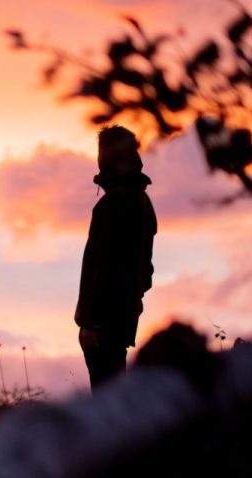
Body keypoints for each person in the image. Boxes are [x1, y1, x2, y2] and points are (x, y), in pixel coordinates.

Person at [75, 125, 157, 390]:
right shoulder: (143, 202)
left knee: (105, 397)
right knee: (114, 393)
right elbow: (146, 271)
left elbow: (105, 267)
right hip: (122, 319)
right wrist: (135, 299)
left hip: (103, 325)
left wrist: (92, 323)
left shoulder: (112, 204)